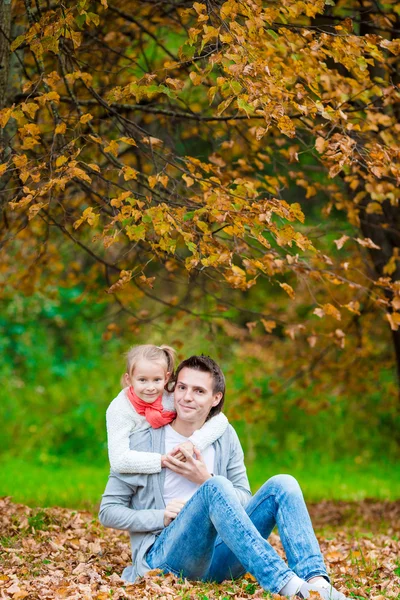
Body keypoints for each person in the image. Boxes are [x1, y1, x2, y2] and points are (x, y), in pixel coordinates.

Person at [99, 355, 347, 599]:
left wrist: (204, 478)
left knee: (284, 484)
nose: (186, 397)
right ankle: (288, 585)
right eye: (182, 387)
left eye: (198, 391)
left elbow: (245, 498)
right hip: (167, 556)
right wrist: (161, 517)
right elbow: (108, 511)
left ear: (215, 398)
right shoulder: (143, 441)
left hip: (222, 557)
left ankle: (317, 584)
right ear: (172, 389)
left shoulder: (224, 437)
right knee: (215, 486)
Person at [106, 344, 229, 474]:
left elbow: (220, 420)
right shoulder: (120, 410)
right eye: (142, 380)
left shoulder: (171, 395)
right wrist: (163, 460)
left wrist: (193, 444)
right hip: (142, 470)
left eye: (157, 380)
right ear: (129, 379)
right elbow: (118, 461)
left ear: (166, 378)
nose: (150, 387)